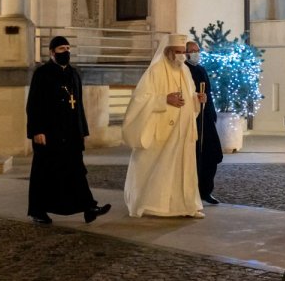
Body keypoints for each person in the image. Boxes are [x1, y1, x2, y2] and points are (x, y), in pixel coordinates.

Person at [26, 35, 110, 225]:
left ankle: (89, 207)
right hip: (48, 133)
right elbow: (34, 105)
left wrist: (82, 132)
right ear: (52, 52)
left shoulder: (73, 74)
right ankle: (38, 210)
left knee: (77, 171)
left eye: (68, 48)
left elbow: (78, 105)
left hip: (71, 133)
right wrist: (37, 130)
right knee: (44, 173)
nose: (66, 52)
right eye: (62, 49)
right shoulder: (42, 73)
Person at [122, 34, 205, 219]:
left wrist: (197, 100)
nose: (182, 56)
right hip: (162, 130)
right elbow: (139, 100)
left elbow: (189, 98)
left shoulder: (185, 71)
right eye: (178, 52)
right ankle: (154, 205)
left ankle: (185, 205)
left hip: (183, 131)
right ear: (168, 52)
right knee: (161, 169)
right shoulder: (156, 71)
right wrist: (164, 99)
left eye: (184, 52)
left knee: (183, 169)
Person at [184, 40, 224, 204]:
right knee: (195, 156)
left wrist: (209, 108)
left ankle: (206, 190)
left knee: (212, 154)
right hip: (193, 118)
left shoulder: (201, 69)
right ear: (186, 54)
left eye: (197, 50)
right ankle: (193, 191)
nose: (195, 53)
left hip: (206, 117)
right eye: (192, 51)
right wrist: (195, 98)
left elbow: (208, 91)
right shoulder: (184, 70)